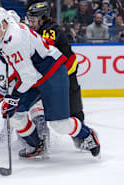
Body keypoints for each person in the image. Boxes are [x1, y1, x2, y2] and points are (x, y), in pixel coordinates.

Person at [0, 7, 100, 158]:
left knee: (60, 125)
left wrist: (12, 97)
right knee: (14, 117)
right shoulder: (8, 24)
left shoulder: (15, 42)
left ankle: (87, 135)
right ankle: (36, 145)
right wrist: (4, 87)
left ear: (3, 25)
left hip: (52, 74)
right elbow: (12, 16)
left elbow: (28, 76)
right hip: (35, 74)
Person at [26, 1, 86, 150]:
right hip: (48, 76)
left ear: (43, 18)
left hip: (66, 75)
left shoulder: (51, 29)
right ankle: (40, 138)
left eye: (33, 20)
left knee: (73, 111)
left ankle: (83, 137)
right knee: (33, 105)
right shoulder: (36, 31)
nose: (31, 23)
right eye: (29, 20)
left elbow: (46, 47)